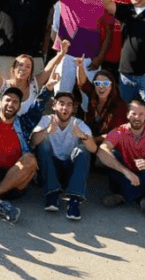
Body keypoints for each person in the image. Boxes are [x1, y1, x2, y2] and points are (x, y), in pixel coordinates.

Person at [0, 84, 50, 224]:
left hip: (14, 180)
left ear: (18, 107)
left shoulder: (24, 123)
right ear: (0, 102)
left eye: (15, 101)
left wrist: (48, 88)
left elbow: (37, 108)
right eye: (7, 100)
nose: (10, 104)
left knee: (30, 160)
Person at [97, 100, 145, 219]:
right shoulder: (119, 131)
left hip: (144, 174)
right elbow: (101, 151)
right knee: (111, 154)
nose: (137, 117)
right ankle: (142, 199)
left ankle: (123, 196)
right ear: (128, 115)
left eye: (141, 114)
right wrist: (126, 172)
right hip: (124, 175)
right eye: (133, 114)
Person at [31, 91, 97, 220]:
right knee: (43, 144)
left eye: (69, 105)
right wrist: (46, 132)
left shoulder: (78, 124)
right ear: (54, 106)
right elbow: (33, 141)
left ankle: (74, 200)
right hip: (50, 168)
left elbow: (93, 149)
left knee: (84, 149)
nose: (64, 108)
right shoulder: (46, 120)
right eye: (61, 104)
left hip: (69, 170)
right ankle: (52, 194)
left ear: (73, 109)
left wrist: (82, 136)